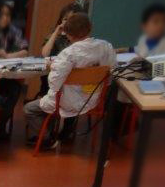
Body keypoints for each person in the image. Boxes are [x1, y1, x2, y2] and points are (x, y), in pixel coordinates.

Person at [23, 13, 115, 150]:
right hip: (93, 100)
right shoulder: (106, 47)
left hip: (68, 102)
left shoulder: (68, 54)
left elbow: (54, 83)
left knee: (29, 109)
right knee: (50, 103)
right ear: (90, 28)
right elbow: (111, 75)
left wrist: (53, 66)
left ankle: (47, 139)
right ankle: (61, 133)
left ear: (68, 34)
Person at [0, 2, 31, 140]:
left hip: (7, 76)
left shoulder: (13, 31)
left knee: (15, 90)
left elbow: (24, 50)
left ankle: (0, 125)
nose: (5, 18)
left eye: (8, 15)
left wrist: (8, 56)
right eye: (1, 15)